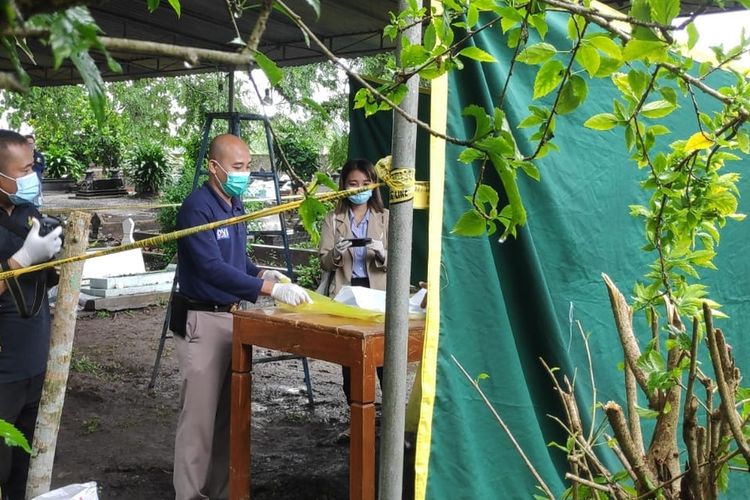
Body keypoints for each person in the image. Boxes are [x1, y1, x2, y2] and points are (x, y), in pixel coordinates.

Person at [172, 133, 311, 500]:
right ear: (214, 167)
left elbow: (236, 261)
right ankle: (188, 495)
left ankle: (218, 492)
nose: (244, 174)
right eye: (237, 167)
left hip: (234, 319)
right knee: (198, 423)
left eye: (248, 167)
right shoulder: (196, 209)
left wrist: (262, 273)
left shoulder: (235, 205)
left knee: (226, 419)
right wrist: (268, 290)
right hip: (202, 321)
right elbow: (211, 268)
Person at [0, 130, 63, 500]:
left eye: (32, 168)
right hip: (3, 372)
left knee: (26, 469)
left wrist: (53, 253)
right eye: (23, 171)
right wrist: (20, 261)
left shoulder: (28, 213)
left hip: (35, 363)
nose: (31, 178)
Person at [318, 159, 388, 405]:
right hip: (346, 295)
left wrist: (383, 254)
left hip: (377, 294)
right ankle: (356, 416)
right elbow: (324, 263)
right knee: (351, 355)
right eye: (353, 183)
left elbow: (400, 264)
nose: (359, 189)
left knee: (383, 355)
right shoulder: (333, 219)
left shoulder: (386, 218)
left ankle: (389, 419)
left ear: (374, 185)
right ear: (344, 186)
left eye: (365, 183)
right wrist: (336, 253)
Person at [24, 135, 45, 207]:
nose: (30, 145)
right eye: (27, 143)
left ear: (34, 144)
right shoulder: (21, 156)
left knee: (37, 205)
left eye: (31, 143)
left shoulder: (39, 156)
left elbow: (42, 169)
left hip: (37, 183)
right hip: (26, 184)